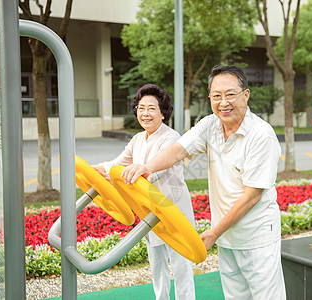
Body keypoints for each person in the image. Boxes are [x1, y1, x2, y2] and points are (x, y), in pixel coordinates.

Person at [123, 65, 286, 299]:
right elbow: (178, 150)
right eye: (216, 96)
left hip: (256, 236)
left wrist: (214, 233)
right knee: (236, 297)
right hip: (227, 237)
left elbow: (252, 196)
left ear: (246, 95)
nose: (223, 102)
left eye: (230, 94)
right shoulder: (210, 124)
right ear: (210, 97)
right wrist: (146, 167)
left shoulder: (261, 135)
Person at [92, 84, 196, 300]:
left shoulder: (171, 137)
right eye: (141, 108)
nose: (145, 113)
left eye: (151, 108)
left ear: (163, 112)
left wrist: (141, 172)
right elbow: (116, 164)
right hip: (149, 209)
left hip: (173, 207)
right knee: (157, 263)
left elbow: (157, 170)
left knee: (181, 265)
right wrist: (96, 170)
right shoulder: (139, 138)